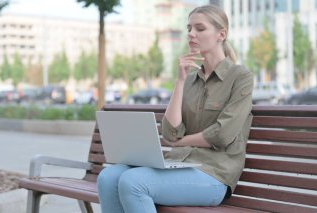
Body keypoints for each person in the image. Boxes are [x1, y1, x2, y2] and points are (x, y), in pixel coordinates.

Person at [97, 4, 253, 213]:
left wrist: (183, 141)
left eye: (200, 28)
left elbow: (222, 134)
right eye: (189, 28)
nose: (191, 34)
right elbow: (170, 133)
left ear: (221, 34)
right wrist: (180, 81)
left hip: (214, 175)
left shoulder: (240, 77)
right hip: (179, 165)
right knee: (108, 177)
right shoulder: (190, 80)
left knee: (133, 182)